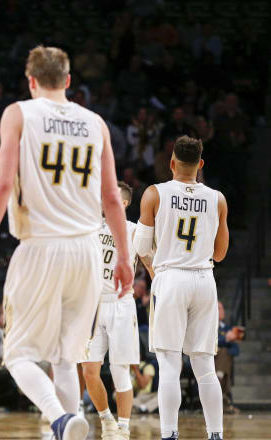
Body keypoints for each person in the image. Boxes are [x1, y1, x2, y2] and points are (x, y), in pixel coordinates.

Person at [0, 46, 133, 440]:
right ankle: (70, 424)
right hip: (87, 251)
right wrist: (125, 257)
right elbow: (112, 197)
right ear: (68, 81)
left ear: (30, 81)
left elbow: (2, 183)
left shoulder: (19, 113)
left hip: (41, 246)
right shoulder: (95, 123)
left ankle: (59, 418)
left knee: (19, 355)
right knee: (67, 357)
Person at [134, 135, 229, 440]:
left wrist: (155, 269)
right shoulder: (218, 198)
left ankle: (169, 435)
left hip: (171, 277)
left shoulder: (154, 194)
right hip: (203, 279)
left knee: (169, 365)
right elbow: (220, 254)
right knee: (205, 367)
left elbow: (141, 246)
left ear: (171, 162)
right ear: (200, 164)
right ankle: (215, 434)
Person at [80, 182, 147, 440]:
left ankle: (124, 427)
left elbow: (149, 259)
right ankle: (106, 418)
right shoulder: (90, 225)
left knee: (121, 371)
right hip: (92, 305)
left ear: (125, 203)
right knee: (89, 371)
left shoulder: (133, 231)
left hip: (120, 303)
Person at [215, 301, 242, 414]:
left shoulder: (227, 328)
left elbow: (236, 350)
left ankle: (219, 378)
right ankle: (226, 401)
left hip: (221, 363)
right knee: (223, 353)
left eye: (222, 308)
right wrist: (226, 340)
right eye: (218, 308)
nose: (222, 310)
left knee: (226, 353)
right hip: (211, 359)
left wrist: (230, 343)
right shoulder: (208, 327)